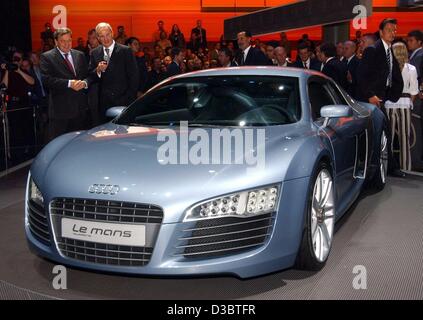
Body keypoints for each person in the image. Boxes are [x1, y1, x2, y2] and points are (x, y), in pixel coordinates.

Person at [357, 18, 405, 176]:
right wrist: (370, 96)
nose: (393, 33)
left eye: (395, 30)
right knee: (381, 133)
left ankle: (386, 167)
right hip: (370, 100)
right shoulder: (373, 50)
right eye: (390, 29)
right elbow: (362, 76)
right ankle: (384, 168)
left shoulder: (389, 50)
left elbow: (393, 75)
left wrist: (392, 94)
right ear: (381, 32)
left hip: (381, 98)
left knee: (383, 134)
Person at [40, 27, 90, 140]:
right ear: (56, 42)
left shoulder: (80, 55)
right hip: (60, 112)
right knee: (59, 146)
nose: (67, 44)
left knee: (78, 145)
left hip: (80, 110)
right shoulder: (47, 57)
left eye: (69, 40)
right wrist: (69, 83)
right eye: (63, 41)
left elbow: (87, 76)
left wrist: (85, 83)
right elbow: (46, 80)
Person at [89, 22, 139, 121]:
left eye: (107, 35)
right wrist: (98, 70)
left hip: (124, 101)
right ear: (98, 38)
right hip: (104, 103)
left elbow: (134, 76)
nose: (105, 39)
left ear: (112, 34)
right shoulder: (95, 53)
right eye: (102, 36)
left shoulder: (126, 50)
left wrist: (128, 97)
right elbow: (91, 76)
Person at [384, 42, 419, 171]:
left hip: (389, 104)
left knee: (389, 137)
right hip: (405, 104)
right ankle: (405, 167)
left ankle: (387, 167)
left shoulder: (388, 68)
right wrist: (409, 101)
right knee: (405, 137)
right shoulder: (411, 68)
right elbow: (414, 91)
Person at [1, 50, 35, 162]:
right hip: (13, 105)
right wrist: (7, 70)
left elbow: (32, 82)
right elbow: (4, 86)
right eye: (15, 58)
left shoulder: (24, 71)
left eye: (18, 59)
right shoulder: (8, 72)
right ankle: (15, 156)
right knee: (15, 132)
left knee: (26, 129)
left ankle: (28, 153)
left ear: (21, 61)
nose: (16, 60)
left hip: (24, 104)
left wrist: (19, 70)